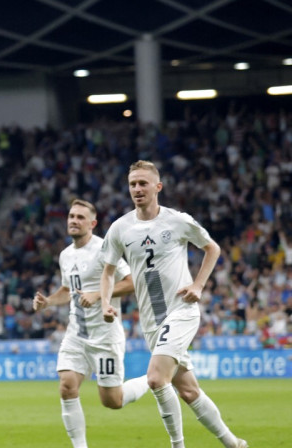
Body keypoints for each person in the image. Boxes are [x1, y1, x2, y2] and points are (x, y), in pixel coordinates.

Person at [99, 161, 247, 448]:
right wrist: (106, 302)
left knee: (155, 379)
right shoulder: (120, 228)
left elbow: (212, 248)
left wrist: (198, 285)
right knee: (189, 392)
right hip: (152, 321)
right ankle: (234, 444)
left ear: (158, 186)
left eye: (143, 183)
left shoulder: (177, 220)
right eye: (133, 184)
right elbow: (107, 271)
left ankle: (177, 445)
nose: (137, 189)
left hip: (181, 311)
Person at [33, 199, 148, 448]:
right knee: (67, 385)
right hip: (76, 333)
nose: (74, 220)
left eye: (80, 217)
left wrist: (99, 295)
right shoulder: (65, 255)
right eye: (71, 216)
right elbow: (68, 290)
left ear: (92, 224)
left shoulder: (105, 249)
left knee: (112, 401)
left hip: (105, 335)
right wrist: (49, 302)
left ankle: (151, 379)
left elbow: (131, 282)